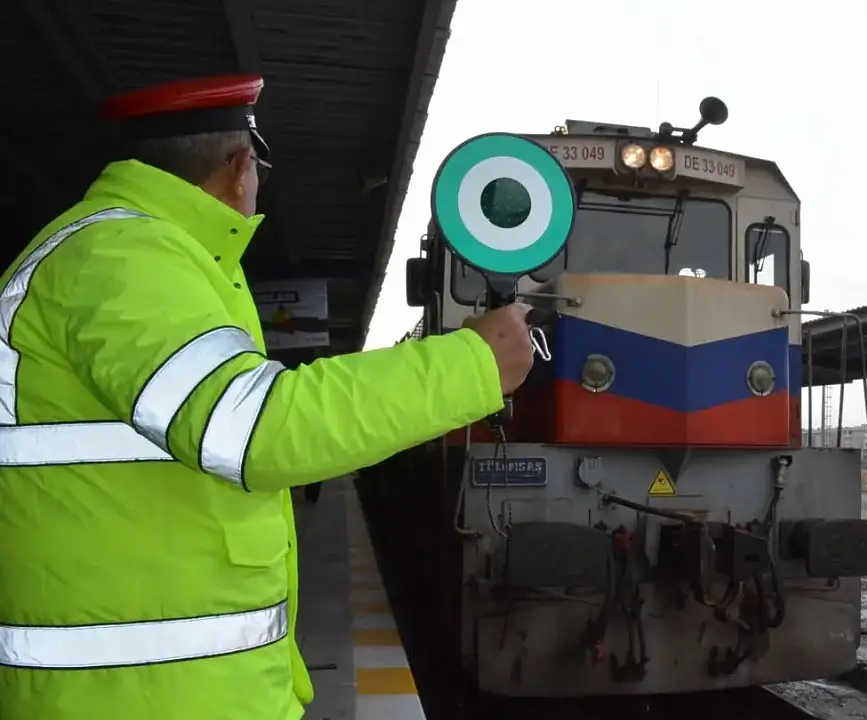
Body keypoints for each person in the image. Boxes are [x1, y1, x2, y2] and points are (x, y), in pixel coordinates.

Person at [0, 74, 534, 719]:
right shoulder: (121, 256)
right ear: (239, 167)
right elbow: (252, 427)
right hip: (137, 697)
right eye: (261, 169)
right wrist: (472, 364)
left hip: (170, 689)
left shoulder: (149, 257)